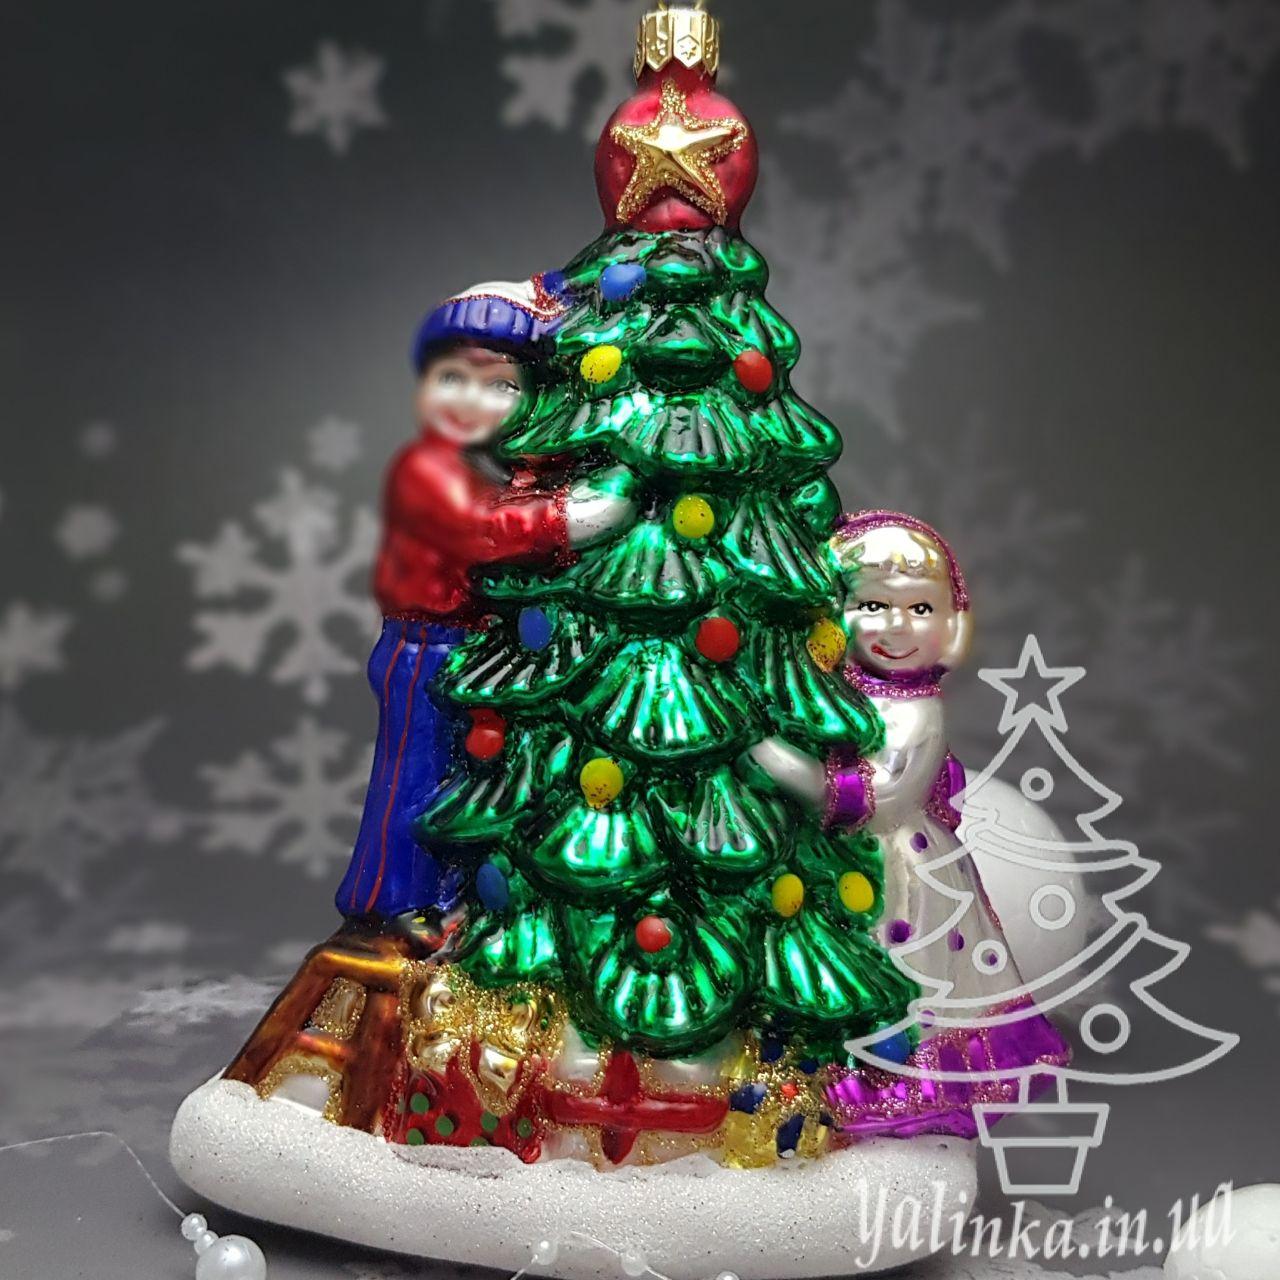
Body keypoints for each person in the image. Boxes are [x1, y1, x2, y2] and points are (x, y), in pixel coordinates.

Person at [745, 510, 1069, 1136]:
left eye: (920, 609)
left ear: (952, 622)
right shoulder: (832, 693)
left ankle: (893, 1083)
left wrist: (777, 761)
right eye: (873, 606)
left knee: (901, 974)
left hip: (899, 868)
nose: (897, 627)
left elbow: (882, 797)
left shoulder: (916, 713)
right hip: (833, 862)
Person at [335, 277, 638, 929]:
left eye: (499, 386)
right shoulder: (426, 470)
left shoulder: (496, 467)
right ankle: (389, 900)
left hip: (470, 651)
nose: (471, 400)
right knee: (412, 777)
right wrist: (569, 517)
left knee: (458, 783)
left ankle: (450, 895)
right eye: (453, 378)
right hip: (423, 649)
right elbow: (481, 531)